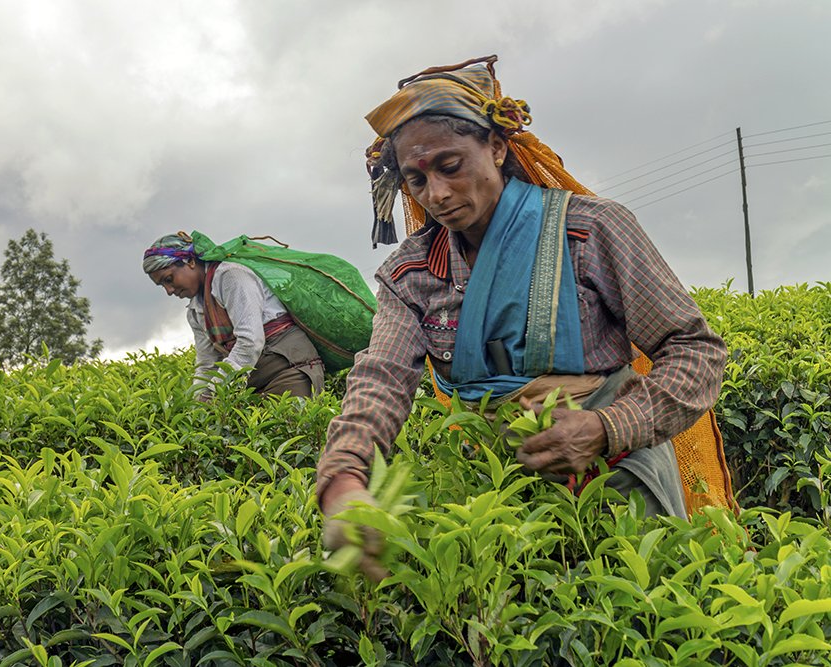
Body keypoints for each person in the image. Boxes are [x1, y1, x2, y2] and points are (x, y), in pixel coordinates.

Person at [316, 55, 727, 576]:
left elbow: (695, 351)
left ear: (497, 146)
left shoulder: (589, 232)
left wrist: (606, 426)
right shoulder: (411, 273)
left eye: (450, 166)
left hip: (618, 481)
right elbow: (381, 378)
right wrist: (345, 477)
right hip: (497, 500)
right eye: (416, 180)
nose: (436, 194)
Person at [143, 232, 324, 399]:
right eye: (162, 285)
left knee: (288, 422)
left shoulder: (230, 276)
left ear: (190, 261)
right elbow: (207, 363)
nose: (169, 290)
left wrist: (214, 390)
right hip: (253, 382)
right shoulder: (195, 311)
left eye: (169, 279)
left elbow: (250, 340)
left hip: (290, 369)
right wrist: (197, 403)